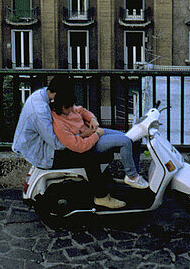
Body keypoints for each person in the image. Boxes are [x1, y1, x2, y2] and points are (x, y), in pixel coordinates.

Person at [11, 74, 125, 210]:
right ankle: (101, 197)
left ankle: (103, 181)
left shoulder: (43, 95)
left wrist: (85, 126)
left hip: (40, 144)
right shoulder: (40, 111)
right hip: (43, 152)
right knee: (89, 154)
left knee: (87, 150)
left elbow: (76, 111)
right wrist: (83, 136)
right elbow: (57, 144)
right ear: (59, 94)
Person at [51, 77, 147, 193]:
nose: (73, 109)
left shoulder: (69, 108)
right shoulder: (59, 124)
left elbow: (81, 110)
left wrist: (93, 119)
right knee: (125, 141)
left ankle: (134, 175)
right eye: (70, 107)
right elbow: (79, 146)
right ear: (62, 107)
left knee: (134, 139)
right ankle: (132, 176)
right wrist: (96, 134)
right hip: (91, 143)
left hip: (94, 132)